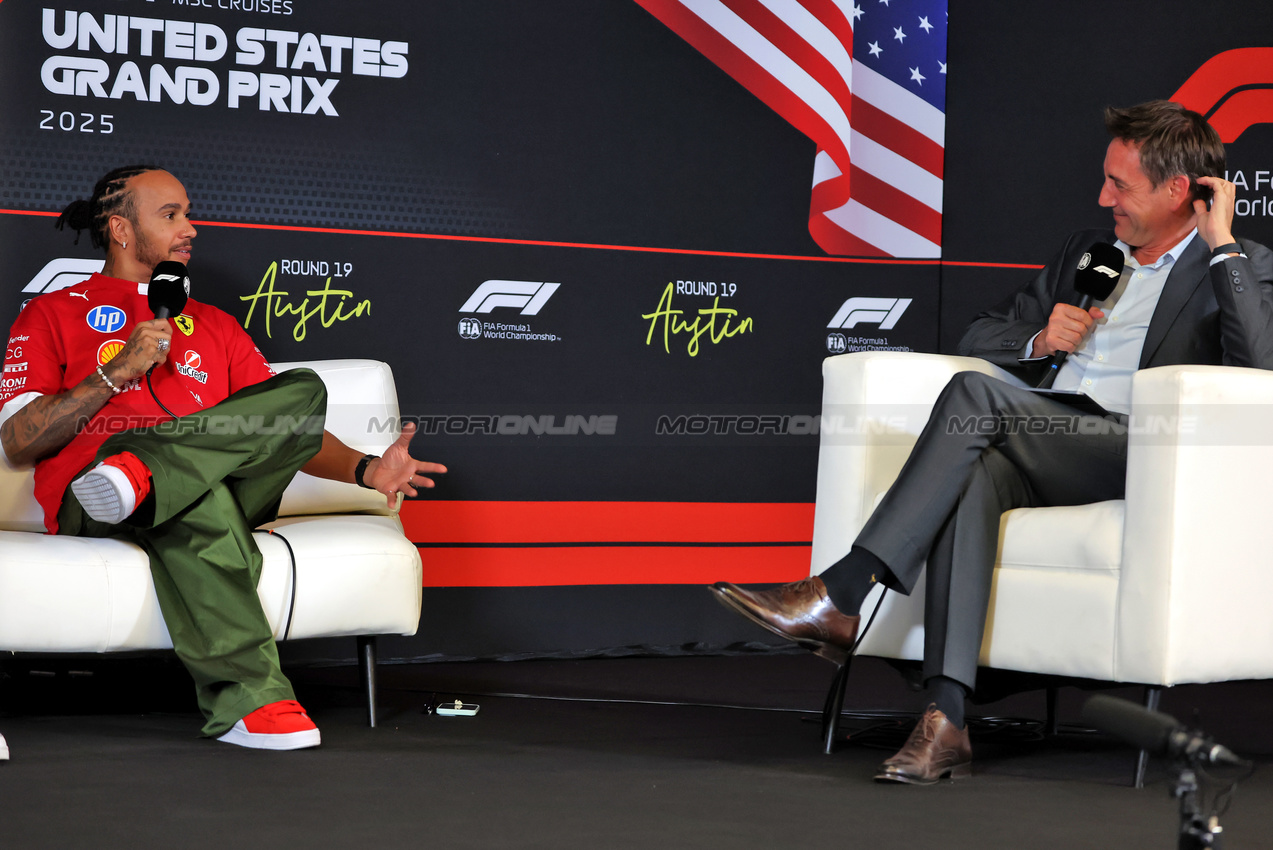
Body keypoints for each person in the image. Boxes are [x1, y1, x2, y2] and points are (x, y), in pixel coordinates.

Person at [712, 100, 1273, 784]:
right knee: (971, 475)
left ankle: (844, 589)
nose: (1103, 198)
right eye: (1105, 180)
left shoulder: (1237, 266)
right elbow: (980, 334)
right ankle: (946, 721)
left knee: (975, 396)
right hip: (1043, 434)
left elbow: (1258, 368)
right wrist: (1038, 340)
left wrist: (1221, 244)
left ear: (1180, 191)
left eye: (1119, 186)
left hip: (1139, 452)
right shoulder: (1089, 255)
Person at [0, 165, 447, 751]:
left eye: (188, 213)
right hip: (95, 496)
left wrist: (366, 470)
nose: (190, 228)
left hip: (198, 482)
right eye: (171, 215)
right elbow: (19, 441)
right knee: (197, 500)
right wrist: (116, 373)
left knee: (303, 389)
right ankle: (255, 702)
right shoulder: (51, 314)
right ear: (121, 230)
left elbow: (289, 422)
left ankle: (147, 471)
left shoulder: (215, 324)